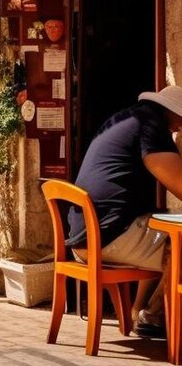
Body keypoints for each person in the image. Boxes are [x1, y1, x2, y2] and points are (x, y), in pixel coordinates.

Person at [67, 85, 182, 337]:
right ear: (172, 112)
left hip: (87, 237)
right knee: (177, 241)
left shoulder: (129, 119)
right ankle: (156, 317)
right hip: (108, 237)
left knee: (160, 228)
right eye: (180, 122)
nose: (178, 129)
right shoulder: (151, 124)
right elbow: (179, 183)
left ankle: (140, 312)